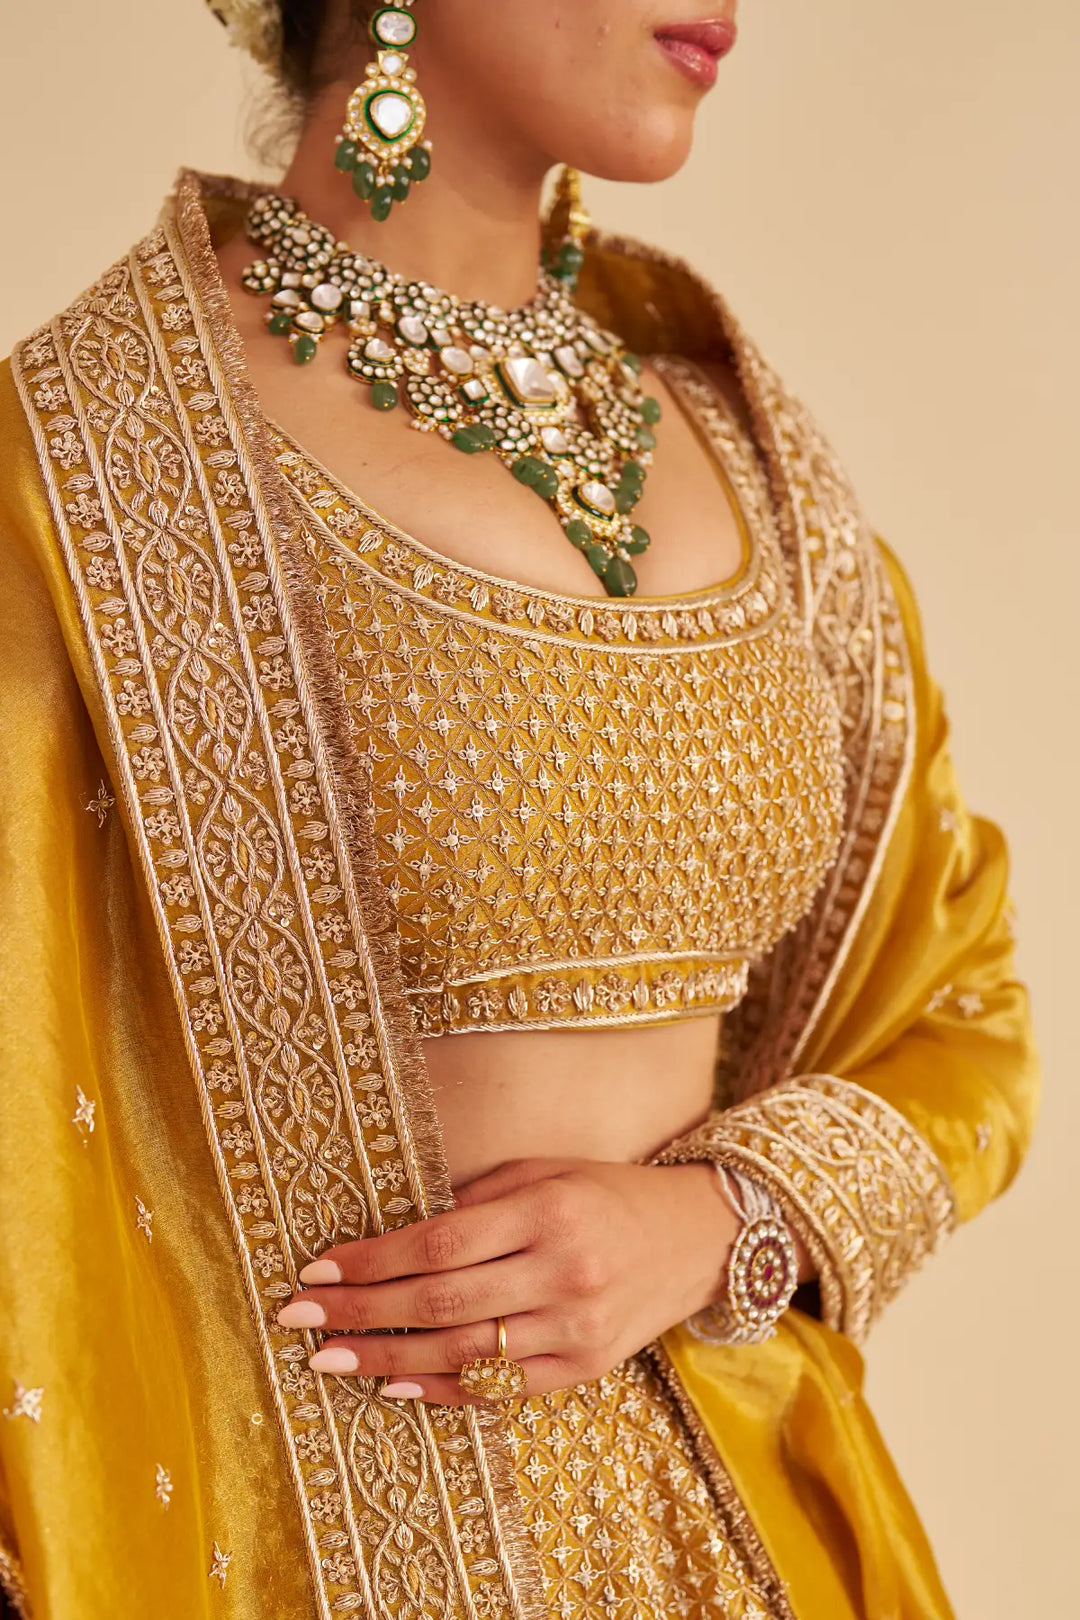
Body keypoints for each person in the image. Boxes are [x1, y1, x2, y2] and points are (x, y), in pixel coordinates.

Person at [0, 2, 1039, 1617]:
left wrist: (716, 1220)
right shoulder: (78, 490)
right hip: (286, 1551)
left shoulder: (751, 457)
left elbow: (959, 1004)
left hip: (752, 1543)